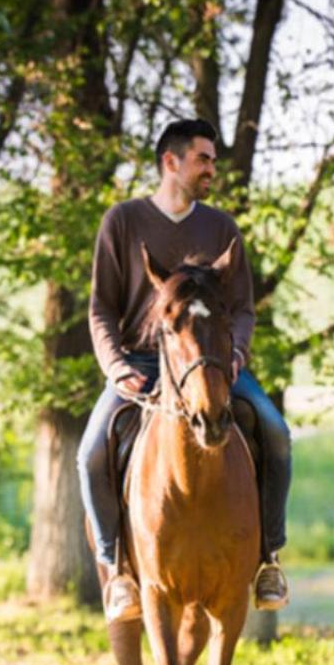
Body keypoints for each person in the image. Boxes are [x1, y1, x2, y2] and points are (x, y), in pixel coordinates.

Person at [77, 118, 292, 623]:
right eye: (204, 159)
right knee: (89, 455)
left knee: (277, 433)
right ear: (170, 162)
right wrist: (114, 366)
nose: (212, 169)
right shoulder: (123, 221)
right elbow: (100, 309)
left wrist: (235, 354)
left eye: (213, 161)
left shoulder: (222, 229)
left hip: (213, 364)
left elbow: (242, 308)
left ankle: (269, 561)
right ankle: (118, 570)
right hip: (141, 364)